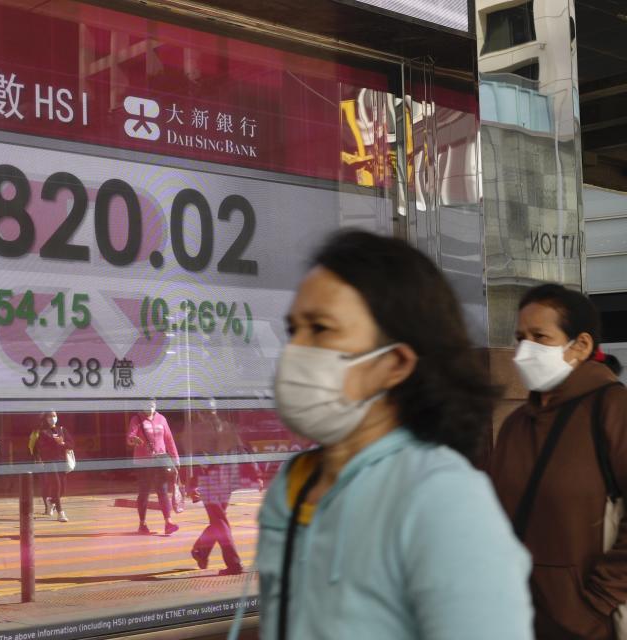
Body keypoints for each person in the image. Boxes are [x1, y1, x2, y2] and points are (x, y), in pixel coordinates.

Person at [257, 230, 533, 639]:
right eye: (292, 328)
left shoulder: (442, 496)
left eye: (320, 328)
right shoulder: (293, 484)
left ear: (395, 364)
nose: (294, 350)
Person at [487, 284, 627, 639]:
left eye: (540, 337)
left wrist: (597, 600)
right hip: (518, 620)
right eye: (520, 337)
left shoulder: (612, 410)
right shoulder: (517, 424)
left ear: (580, 345)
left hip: (588, 626)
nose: (524, 350)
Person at [188, 398, 263, 575]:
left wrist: (192, 486)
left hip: (211, 482)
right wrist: (256, 475)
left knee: (220, 522)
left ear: (200, 414)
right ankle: (201, 551)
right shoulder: (228, 427)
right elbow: (244, 452)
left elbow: (197, 462)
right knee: (218, 521)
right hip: (228, 481)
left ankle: (234, 563)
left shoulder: (201, 432)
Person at [127, 399, 180, 535]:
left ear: (155, 405)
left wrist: (175, 459)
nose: (150, 408)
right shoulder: (137, 419)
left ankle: (168, 522)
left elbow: (169, 440)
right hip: (143, 462)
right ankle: (142, 524)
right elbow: (130, 437)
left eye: (152, 405)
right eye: (147, 405)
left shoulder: (161, 419)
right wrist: (135, 440)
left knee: (162, 490)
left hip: (160, 461)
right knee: (144, 492)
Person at [34, 411, 74, 522]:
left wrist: (63, 444)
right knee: (56, 485)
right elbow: (40, 448)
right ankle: (60, 513)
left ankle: (50, 501)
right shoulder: (43, 432)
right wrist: (53, 443)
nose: (52, 418)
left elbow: (71, 444)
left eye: (54, 416)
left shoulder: (62, 430)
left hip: (62, 461)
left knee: (63, 489)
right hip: (50, 461)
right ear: (46, 418)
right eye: (50, 416)